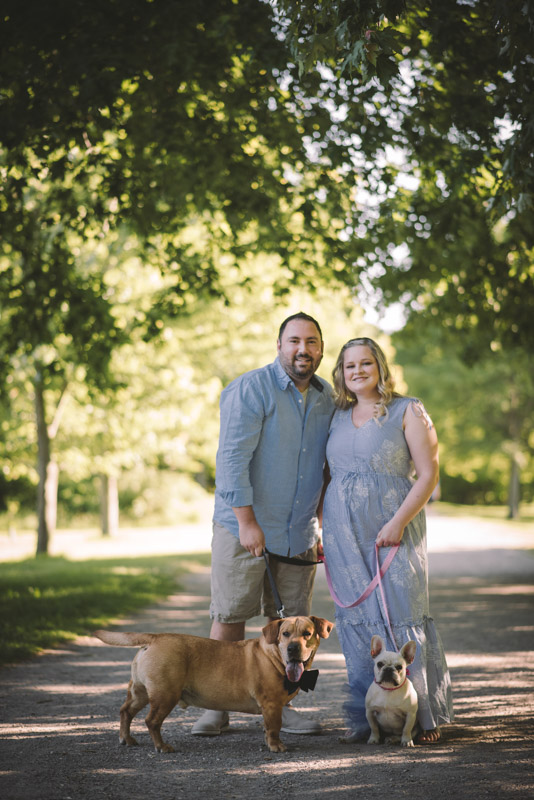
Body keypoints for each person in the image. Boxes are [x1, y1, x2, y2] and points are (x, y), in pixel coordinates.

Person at [191, 312, 335, 736]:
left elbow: (325, 468)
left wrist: (323, 523)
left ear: (321, 349)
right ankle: (216, 707)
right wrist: (247, 522)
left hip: (298, 531)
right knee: (231, 616)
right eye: (293, 340)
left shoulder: (328, 399)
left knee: (296, 625)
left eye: (311, 341)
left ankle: (284, 703)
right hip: (245, 527)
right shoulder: (250, 389)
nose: (302, 349)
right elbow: (231, 460)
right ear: (279, 345)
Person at [321, 337, 454, 744]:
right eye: (349, 366)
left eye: (365, 363)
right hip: (344, 534)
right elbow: (329, 476)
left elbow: (428, 475)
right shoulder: (337, 415)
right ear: (341, 373)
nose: (357, 371)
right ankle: (370, 719)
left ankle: (423, 717)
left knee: (402, 612)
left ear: (380, 366)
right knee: (359, 621)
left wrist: (397, 522)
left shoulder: (408, 409)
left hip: (394, 528)